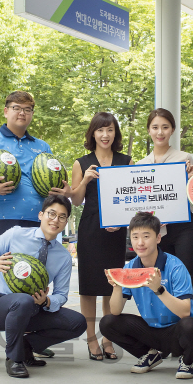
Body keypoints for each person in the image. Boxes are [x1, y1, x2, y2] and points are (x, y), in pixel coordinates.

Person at [0, 91, 69, 363]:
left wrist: (61, 191)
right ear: (6, 110)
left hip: (36, 221)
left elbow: (52, 177)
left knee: (31, 276)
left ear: (32, 113)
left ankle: (28, 335)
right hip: (0, 217)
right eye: (16, 108)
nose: (22, 113)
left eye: (27, 109)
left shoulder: (42, 146)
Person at [0, 195, 87, 378]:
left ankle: (27, 346)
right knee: (22, 301)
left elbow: (61, 295)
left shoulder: (63, 257)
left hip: (33, 309)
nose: (55, 220)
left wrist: (46, 301)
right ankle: (14, 359)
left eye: (62, 217)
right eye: (51, 214)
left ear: (66, 221)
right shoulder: (16, 234)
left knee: (78, 322)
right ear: (41, 215)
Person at [100, 212, 193, 380]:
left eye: (146, 236)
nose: (140, 242)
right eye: (135, 237)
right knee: (108, 322)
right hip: (150, 332)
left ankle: (187, 360)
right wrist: (117, 287)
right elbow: (116, 311)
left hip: (176, 333)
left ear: (158, 238)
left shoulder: (175, 266)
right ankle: (149, 355)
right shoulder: (130, 268)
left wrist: (159, 290)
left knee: (191, 326)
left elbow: (185, 311)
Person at [136, 108, 193, 347]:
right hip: (157, 233)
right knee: (161, 282)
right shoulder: (140, 165)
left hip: (182, 228)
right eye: (155, 127)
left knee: (188, 281)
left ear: (172, 130)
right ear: (148, 130)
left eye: (165, 127)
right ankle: (170, 339)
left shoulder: (184, 158)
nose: (160, 132)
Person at [70, 112, 133, 361]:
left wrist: (120, 222)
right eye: (100, 130)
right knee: (88, 289)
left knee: (112, 287)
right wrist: (84, 180)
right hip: (90, 228)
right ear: (92, 134)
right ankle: (91, 340)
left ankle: (109, 339)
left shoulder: (126, 161)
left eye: (109, 130)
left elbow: (131, 200)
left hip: (116, 231)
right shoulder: (81, 162)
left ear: (115, 133)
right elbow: (75, 199)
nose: (105, 135)